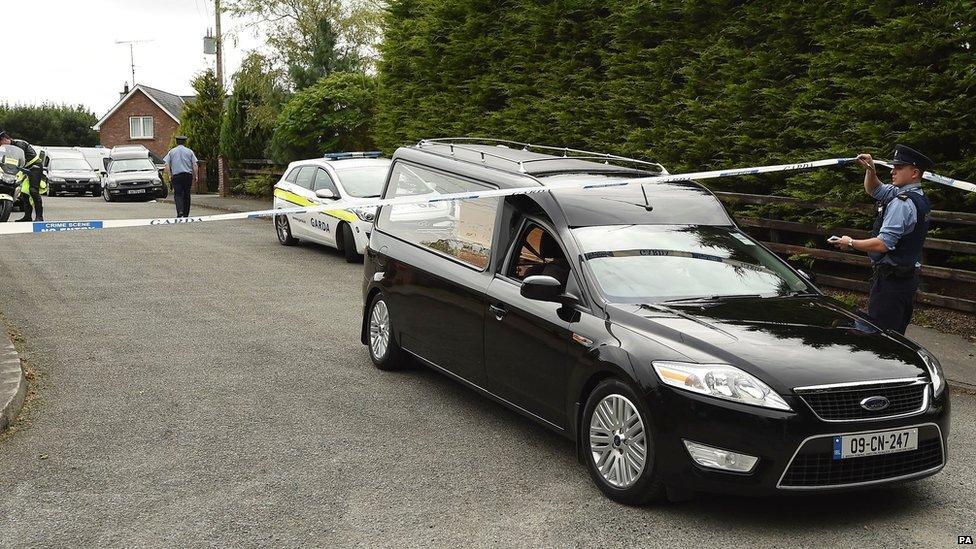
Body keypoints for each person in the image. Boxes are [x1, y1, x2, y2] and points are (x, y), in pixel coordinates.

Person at [830, 144, 934, 334]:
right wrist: (871, 169)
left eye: (899, 167)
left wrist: (850, 243)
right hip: (905, 279)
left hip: (891, 282)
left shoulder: (902, 203)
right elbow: (874, 190)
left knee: (882, 337)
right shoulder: (917, 196)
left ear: (914, 172)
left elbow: (883, 243)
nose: (893, 170)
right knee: (895, 333)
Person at [0, 130, 45, 222]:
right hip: (24, 169)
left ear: (5, 139)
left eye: (0, 142)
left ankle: (39, 217)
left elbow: (20, 159)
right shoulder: (8, 149)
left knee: (33, 191)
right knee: (24, 193)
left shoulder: (20, 144)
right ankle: (27, 216)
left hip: (34, 167)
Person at [163, 136, 198, 218]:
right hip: (187, 176)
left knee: (178, 194)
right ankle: (186, 214)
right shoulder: (189, 152)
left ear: (176, 142)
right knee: (186, 194)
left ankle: (180, 211)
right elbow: (195, 164)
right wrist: (196, 175)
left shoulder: (172, 152)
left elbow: (166, 164)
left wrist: (169, 175)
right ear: (184, 142)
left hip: (176, 176)